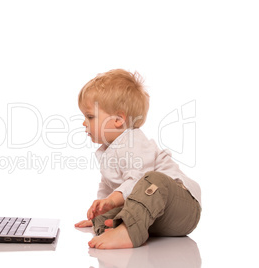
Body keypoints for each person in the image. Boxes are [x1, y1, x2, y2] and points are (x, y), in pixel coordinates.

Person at [74, 69, 201, 249]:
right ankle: (115, 225)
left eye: (90, 116)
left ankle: (128, 233)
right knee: (114, 208)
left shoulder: (133, 141)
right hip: (157, 216)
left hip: (182, 207)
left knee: (152, 180)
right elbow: (108, 187)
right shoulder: (106, 151)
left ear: (118, 119)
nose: (84, 123)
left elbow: (136, 181)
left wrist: (112, 200)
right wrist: (101, 212)